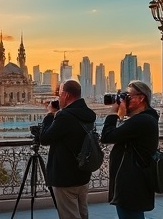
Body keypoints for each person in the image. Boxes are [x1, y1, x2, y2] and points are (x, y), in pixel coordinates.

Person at [100, 80, 159, 219]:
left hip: (131, 184)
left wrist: (113, 114)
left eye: (128, 96)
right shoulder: (145, 119)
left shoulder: (142, 121)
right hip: (134, 182)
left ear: (141, 98)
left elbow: (107, 136)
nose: (125, 100)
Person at [39, 79, 97, 219]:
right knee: (82, 214)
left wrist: (50, 115)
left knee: (69, 215)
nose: (58, 98)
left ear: (66, 95)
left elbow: (44, 139)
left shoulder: (65, 116)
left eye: (59, 94)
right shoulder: (88, 114)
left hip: (65, 178)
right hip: (83, 174)